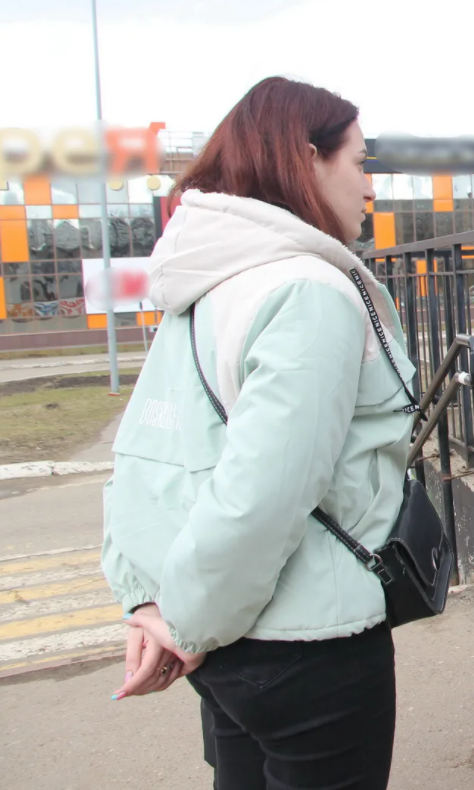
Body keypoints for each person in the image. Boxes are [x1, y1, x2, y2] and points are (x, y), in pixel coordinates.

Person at [101, 76, 414, 789]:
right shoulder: (307, 289)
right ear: (307, 158)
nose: (369, 188)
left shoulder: (206, 279)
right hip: (304, 640)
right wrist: (184, 626)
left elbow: (144, 458)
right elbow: (264, 494)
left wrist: (155, 607)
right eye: (361, 161)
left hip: (219, 639)